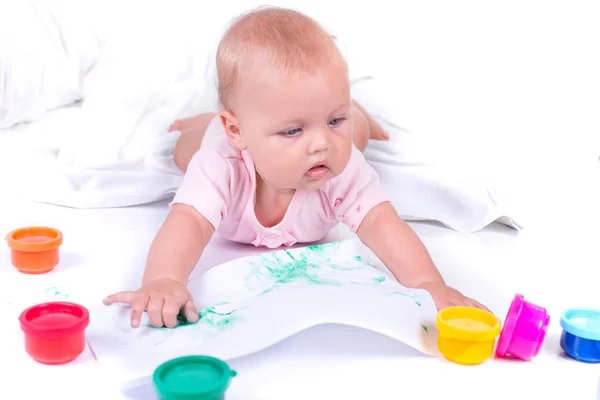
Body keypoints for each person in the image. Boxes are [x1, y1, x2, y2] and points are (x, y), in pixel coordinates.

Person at [104, 6, 488, 329]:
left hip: (312, 137)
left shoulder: (340, 166)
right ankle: (204, 121)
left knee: (356, 139)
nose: (320, 143)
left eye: (333, 119)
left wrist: (429, 285)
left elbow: (382, 223)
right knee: (184, 150)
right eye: (293, 130)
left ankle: (358, 115)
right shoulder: (222, 162)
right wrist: (164, 279)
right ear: (237, 130)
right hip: (217, 142)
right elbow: (187, 221)